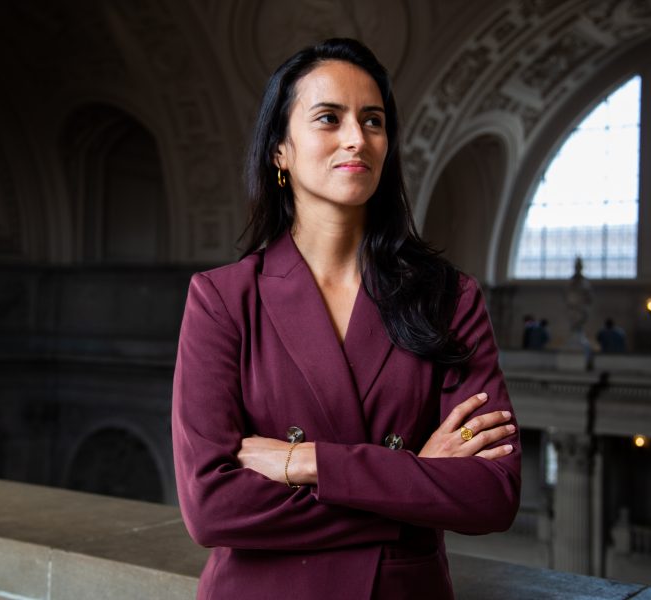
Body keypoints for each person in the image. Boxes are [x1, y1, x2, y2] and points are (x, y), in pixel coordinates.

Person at [172, 38, 520, 600]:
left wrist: (302, 461)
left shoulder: (449, 297)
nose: (357, 138)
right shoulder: (222, 298)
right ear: (279, 150)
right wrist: (410, 481)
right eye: (328, 118)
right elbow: (211, 509)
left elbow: (491, 494)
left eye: (374, 121)